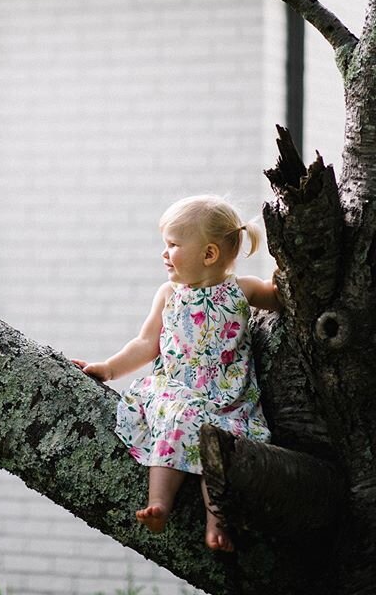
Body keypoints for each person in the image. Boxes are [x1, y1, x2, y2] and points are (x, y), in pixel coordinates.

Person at [72, 195, 281, 553]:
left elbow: (279, 296)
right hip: (177, 390)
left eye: (172, 245)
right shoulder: (169, 295)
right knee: (178, 422)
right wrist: (108, 368)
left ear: (209, 254)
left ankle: (217, 523)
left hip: (228, 398)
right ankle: (159, 504)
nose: (164, 253)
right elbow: (145, 343)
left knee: (221, 445)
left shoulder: (241, 291)